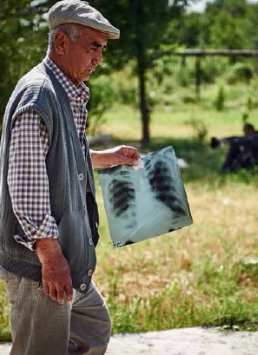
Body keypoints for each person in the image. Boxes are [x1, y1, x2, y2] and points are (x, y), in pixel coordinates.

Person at [0, 1, 140, 354]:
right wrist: (50, 257)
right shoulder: (39, 95)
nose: (99, 59)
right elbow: (26, 183)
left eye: (102, 50)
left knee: (91, 330)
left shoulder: (67, 91)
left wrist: (107, 158)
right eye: (93, 47)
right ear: (61, 43)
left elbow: (53, 159)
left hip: (68, 259)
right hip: (41, 265)